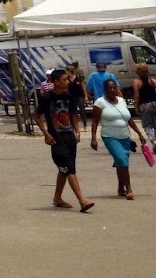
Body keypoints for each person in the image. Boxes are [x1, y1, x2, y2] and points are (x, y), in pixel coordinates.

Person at [38, 67, 94, 212]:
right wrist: (45, 133)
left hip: (69, 137)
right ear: (55, 82)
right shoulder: (46, 98)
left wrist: (77, 130)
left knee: (64, 169)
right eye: (64, 80)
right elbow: (37, 116)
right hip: (57, 139)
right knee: (69, 170)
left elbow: (73, 114)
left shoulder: (68, 97)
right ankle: (82, 201)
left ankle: (57, 198)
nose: (67, 82)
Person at [91, 78, 148, 199]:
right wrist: (93, 138)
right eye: (109, 88)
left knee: (121, 162)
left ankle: (120, 187)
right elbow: (95, 121)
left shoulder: (122, 101)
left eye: (114, 87)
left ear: (117, 88)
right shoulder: (99, 103)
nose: (112, 90)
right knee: (122, 160)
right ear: (105, 89)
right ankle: (129, 188)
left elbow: (129, 119)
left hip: (124, 136)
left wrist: (139, 134)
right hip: (109, 136)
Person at [133, 62, 156, 152]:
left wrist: (136, 107)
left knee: (147, 125)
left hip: (144, 105)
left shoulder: (136, 82)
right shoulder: (152, 80)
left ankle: (153, 141)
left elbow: (136, 96)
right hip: (155, 104)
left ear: (137, 72)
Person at [67, 60, 89, 131]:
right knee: (73, 111)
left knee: (82, 110)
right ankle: (75, 126)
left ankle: (85, 126)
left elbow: (83, 86)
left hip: (79, 96)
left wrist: (85, 96)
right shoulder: (67, 79)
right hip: (72, 97)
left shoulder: (79, 75)